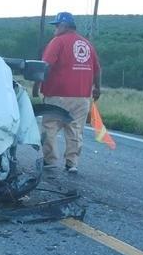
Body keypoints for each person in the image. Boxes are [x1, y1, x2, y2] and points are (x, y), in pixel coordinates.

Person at [38, 11, 101, 173]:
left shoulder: (57, 42)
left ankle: (50, 160)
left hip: (58, 94)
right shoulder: (87, 44)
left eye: (57, 25)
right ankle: (72, 163)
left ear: (64, 26)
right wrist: (97, 88)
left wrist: (37, 83)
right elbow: (97, 70)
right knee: (75, 129)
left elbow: (45, 65)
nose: (55, 29)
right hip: (82, 97)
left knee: (50, 127)